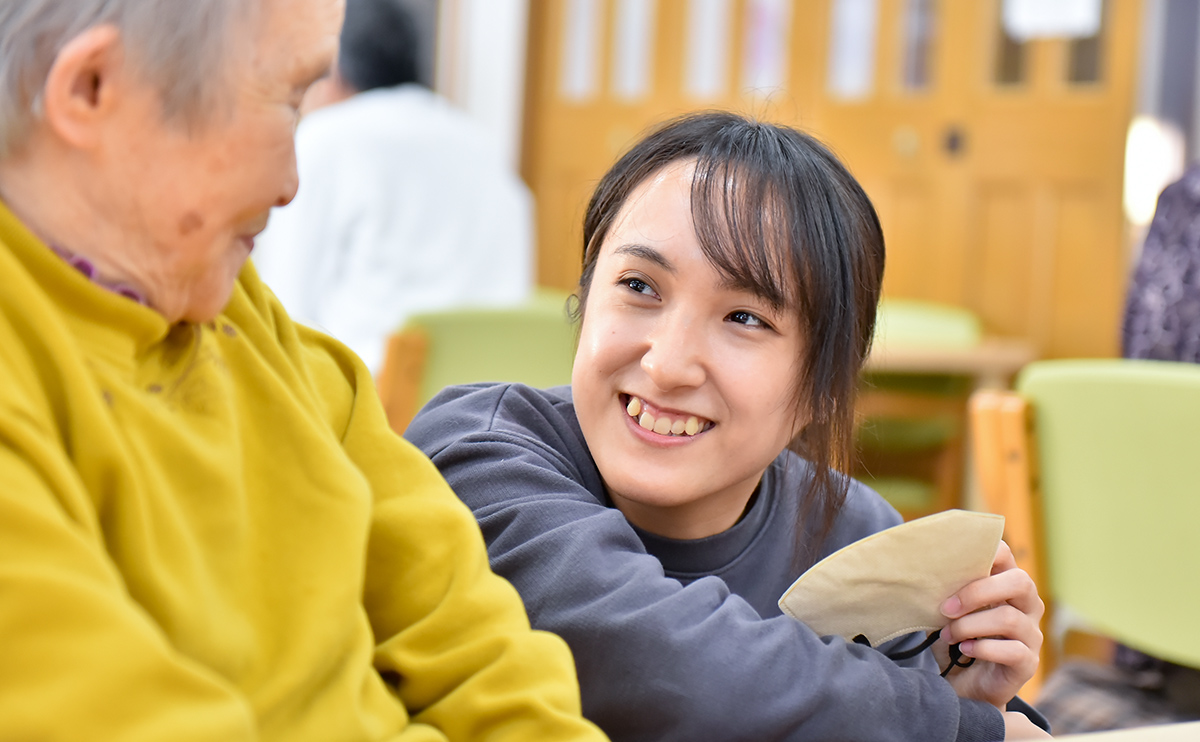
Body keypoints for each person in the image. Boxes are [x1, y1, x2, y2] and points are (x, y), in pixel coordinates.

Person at [0, 1, 608, 740]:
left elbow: (480, 640)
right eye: (290, 100)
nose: (291, 182)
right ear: (93, 87)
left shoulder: (236, 307)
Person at [406, 112, 1051, 741]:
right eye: (639, 285)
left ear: (822, 386)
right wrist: (947, 726)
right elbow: (657, 667)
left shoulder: (856, 537)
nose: (667, 364)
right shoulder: (478, 456)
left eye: (745, 318)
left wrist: (957, 690)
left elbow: (992, 724)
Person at [252, 0, 534, 374]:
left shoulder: (325, 138)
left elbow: (281, 309)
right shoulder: (481, 143)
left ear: (331, 68)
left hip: (366, 402)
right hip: (492, 396)